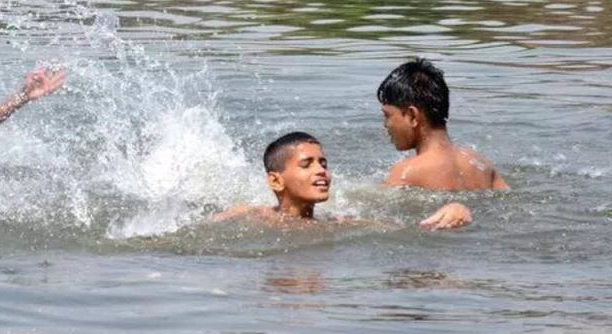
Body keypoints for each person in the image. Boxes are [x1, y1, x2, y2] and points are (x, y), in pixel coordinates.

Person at [212, 131, 472, 230]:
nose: (321, 171)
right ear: (276, 181)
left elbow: (410, 231)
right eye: (307, 164)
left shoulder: (338, 223)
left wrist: (455, 209)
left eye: (323, 163)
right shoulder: (248, 216)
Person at [378, 58, 508, 191]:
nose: (386, 125)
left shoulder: (406, 172)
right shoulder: (481, 163)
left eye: (387, 116)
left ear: (412, 116)